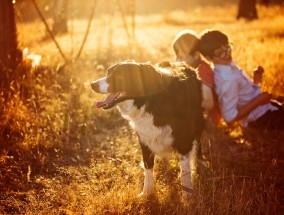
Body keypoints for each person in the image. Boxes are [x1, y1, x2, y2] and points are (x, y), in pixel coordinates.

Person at [198, 29, 284, 130]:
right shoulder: (226, 80)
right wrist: (259, 101)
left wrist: (256, 82)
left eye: (227, 46)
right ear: (209, 58)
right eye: (220, 52)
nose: (227, 53)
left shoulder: (228, 65)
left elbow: (243, 97)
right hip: (263, 118)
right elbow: (229, 118)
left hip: (266, 108)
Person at [171, 29, 221, 125]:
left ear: (196, 55)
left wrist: (186, 104)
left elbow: (209, 103)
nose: (177, 61)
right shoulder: (189, 69)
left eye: (181, 57)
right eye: (176, 56)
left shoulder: (202, 71)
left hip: (208, 120)